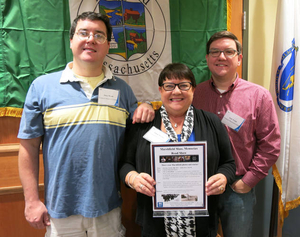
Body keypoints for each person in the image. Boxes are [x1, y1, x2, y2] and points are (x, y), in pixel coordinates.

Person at [18, 11, 154, 237]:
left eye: (99, 35)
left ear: (108, 46)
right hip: (60, 211)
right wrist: (31, 201)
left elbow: (137, 140)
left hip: (108, 210)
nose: (91, 39)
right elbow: (28, 148)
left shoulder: (123, 90)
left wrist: (147, 106)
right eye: (84, 33)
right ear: (71, 41)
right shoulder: (41, 87)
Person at [119, 63, 236, 237]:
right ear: (160, 90)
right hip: (154, 221)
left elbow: (228, 163)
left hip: (202, 222)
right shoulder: (144, 125)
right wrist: (133, 178)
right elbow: (125, 164)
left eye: (183, 85)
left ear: (193, 89)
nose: (176, 91)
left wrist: (223, 178)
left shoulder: (212, 122)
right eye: (169, 86)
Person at [192, 31, 281, 237]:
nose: (221, 57)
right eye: (215, 52)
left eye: (228, 52)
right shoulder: (195, 95)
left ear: (239, 58)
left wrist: (249, 180)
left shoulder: (258, 96)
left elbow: (271, 144)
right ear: (207, 58)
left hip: (237, 188)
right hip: (201, 187)